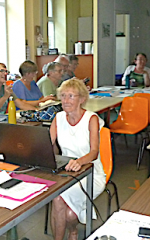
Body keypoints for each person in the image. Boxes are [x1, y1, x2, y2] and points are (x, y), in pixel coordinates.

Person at [49, 78, 106, 240]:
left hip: (90, 172)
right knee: (59, 200)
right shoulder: (58, 118)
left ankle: (72, 230)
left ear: (81, 99)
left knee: (67, 211)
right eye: (63, 95)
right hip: (66, 172)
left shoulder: (91, 119)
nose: (66, 100)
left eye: (71, 96)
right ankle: (67, 234)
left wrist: (79, 162)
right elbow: (46, 144)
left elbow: (94, 152)